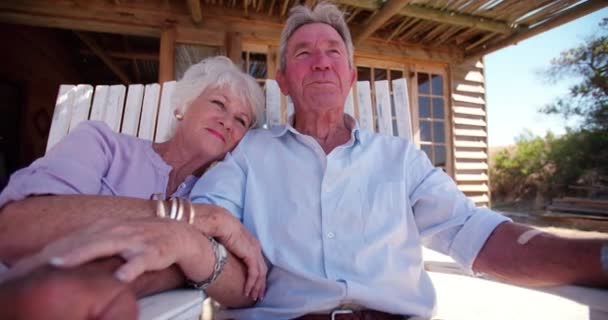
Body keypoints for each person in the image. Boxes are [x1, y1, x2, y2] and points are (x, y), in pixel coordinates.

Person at [186, 3, 608, 320]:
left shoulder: (400, 158)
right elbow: (201, 221)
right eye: (302, 54)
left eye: (334, 51)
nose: (320, 61)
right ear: (282, 81)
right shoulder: (249, 154)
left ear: (350, 75)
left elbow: (474, 233)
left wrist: (599, 258)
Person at [0, 56, 268, 319]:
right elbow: (15, 230)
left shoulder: (219, 196)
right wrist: (192, 218)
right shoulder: (102, 145)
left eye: (241, 121)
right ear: (182, 107)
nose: (228, 122)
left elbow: (245, 288)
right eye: (219, 103)